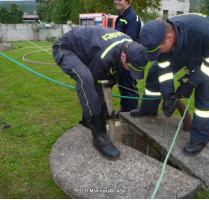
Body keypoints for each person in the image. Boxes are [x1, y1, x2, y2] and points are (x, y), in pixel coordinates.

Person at [131, 13, 209, 156]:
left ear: (170, 38)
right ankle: (148, 108)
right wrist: (169, 96)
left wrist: (192, 81)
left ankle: (200, 139)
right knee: (154, 72)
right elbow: (164, 71)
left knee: (204, 88)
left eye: (158, 50)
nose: (157, 54)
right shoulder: (162, 36)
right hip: (182, 44)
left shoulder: (203, 33)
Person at [52, 26, 147, 160]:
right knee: (85, 79)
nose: (130, 70)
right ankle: (99, 136)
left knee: (97, 85)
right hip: (65, 47)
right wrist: (101, 118)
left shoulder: (129, 45)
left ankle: (86, 120)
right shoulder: (105, 55)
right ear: (124, 56)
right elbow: (97, 87)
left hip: (87, 49)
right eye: (130, 67)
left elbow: (111, 75)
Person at [114, 0, 142, 118]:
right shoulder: (121, 16)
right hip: (120, 57)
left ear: (127, 1)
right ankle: (124, 107)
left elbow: (129, 41)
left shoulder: (131, 18)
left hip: (128, 57)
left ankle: (132, 110)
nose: (116, 1)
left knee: (129, 84)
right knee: (121, 83)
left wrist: (125, 59)